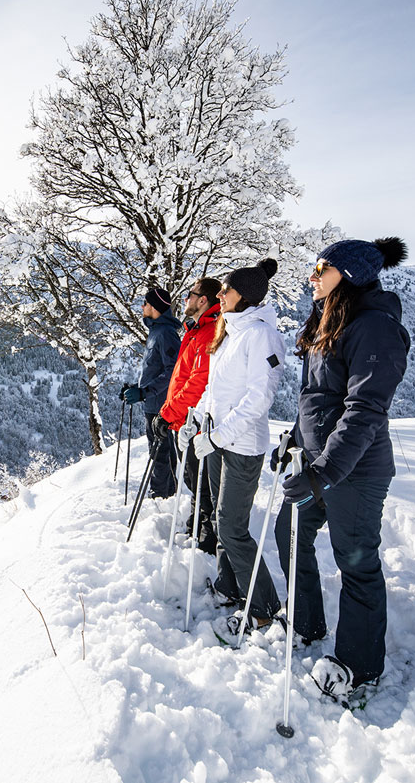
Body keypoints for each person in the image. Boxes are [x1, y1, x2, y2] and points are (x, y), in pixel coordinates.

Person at [273, 236, 410, 700]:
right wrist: (295, 437)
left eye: (321, 268)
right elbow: (316, 396)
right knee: (289, 529)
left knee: (356, 563)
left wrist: (324, 470)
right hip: (321, 464)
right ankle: (307, 622)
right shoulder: (331, 319)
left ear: (347, 276)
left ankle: (359, 666)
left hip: (356, 470)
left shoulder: (373, 326)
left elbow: (364, 409)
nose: (312, 276)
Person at [180, 259, 285, 630]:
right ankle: (229, 585)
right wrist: (197, 417)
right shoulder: (230, 330)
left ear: (246, 296)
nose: (219, 295)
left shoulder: (261, 335)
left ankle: (263, 607)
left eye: (226, 290)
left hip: (241, 446)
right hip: (215, 438)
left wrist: (219, 435)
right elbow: (216, 387)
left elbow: (259, 398)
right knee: (218, 519)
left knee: (231, 526)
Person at [152, 277, 222, 554]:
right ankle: (197, 525)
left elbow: (197, 383)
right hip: (183, 421)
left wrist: (169, 413)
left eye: (190, 295)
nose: (185, 300)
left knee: (201, 480)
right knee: (193, 479)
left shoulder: (208, 332)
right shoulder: (196, 329)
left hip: (194, 423)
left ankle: (206, 540)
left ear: (203, 299)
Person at [124, 287, 181, 499]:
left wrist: (145, 391)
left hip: (159, 403)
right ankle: (168, 491)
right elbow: (155, 367)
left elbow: (172, 371)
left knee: (158, 449)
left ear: (155, 307)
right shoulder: (157, 331)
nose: (142, 307)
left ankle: (160, 494)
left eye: (146, 303)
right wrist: (137, 388)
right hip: (153, 400)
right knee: (161, 447)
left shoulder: (166, 333)